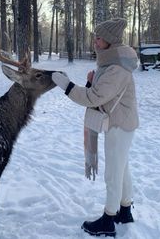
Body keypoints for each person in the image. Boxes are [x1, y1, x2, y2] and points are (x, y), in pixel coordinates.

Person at [52, 18, 139, 237]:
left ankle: (109, 220)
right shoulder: (111, 61)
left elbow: (94, 97)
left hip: (118, 124)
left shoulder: (116, 67)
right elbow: (102, 93)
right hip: (121, 121)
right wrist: (92, 81)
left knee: (113, 172)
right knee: (122, 168)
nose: (95, 41)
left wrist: (68, 86)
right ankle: (125, 210)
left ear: (109, 40)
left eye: (98, 38)